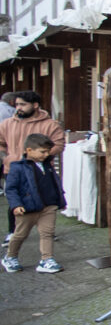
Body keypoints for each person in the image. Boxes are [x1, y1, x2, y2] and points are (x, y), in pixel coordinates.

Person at [0, 91, 64, 246]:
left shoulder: (49, 124)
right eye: (16, 105)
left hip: (40, 169)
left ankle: (47, 231)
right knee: (15, 200)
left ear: (35, 105)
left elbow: (59, 144)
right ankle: (12, 232)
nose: (18, 108)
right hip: (14, 168)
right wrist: (5, 158)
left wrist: (43, 156)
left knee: (45, 199)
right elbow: (0, 143)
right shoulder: (7, 124)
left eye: (23, 104)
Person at [3, 133, 65, 273]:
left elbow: (54, 183)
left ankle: (46, 259)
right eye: (42, 151)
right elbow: (11, 189)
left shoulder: (47, 165)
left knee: (47, 233)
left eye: (47, 151)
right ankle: (10, 256)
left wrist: (58, 199)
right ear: (29, 150)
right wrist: (16, 205)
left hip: (48, 205)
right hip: (27, 207)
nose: (46, 154)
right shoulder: (18, 167)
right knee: (20, 234)